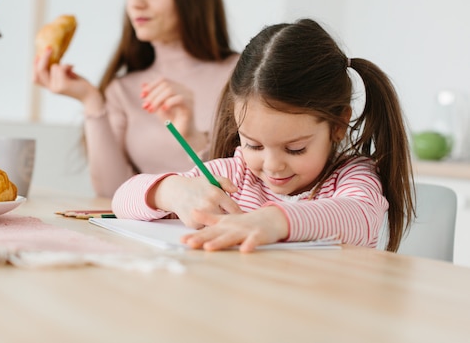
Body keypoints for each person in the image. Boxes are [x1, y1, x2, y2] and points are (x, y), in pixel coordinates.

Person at [112, 18, 415, 253]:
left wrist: (273, 221)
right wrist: (172, 192)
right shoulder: (233, 176)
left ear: (337, 125)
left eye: (295, 148)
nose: (272, 166)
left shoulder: (351, 177)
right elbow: (121, 201)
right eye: (254, 144)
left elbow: (359, 217)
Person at [33, 0, 238, 198]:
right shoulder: (123, 90)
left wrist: (194, 140)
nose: (135, 2)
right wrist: (91, 102)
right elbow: (111, 193)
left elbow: (249, 186)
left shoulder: (243, 76)